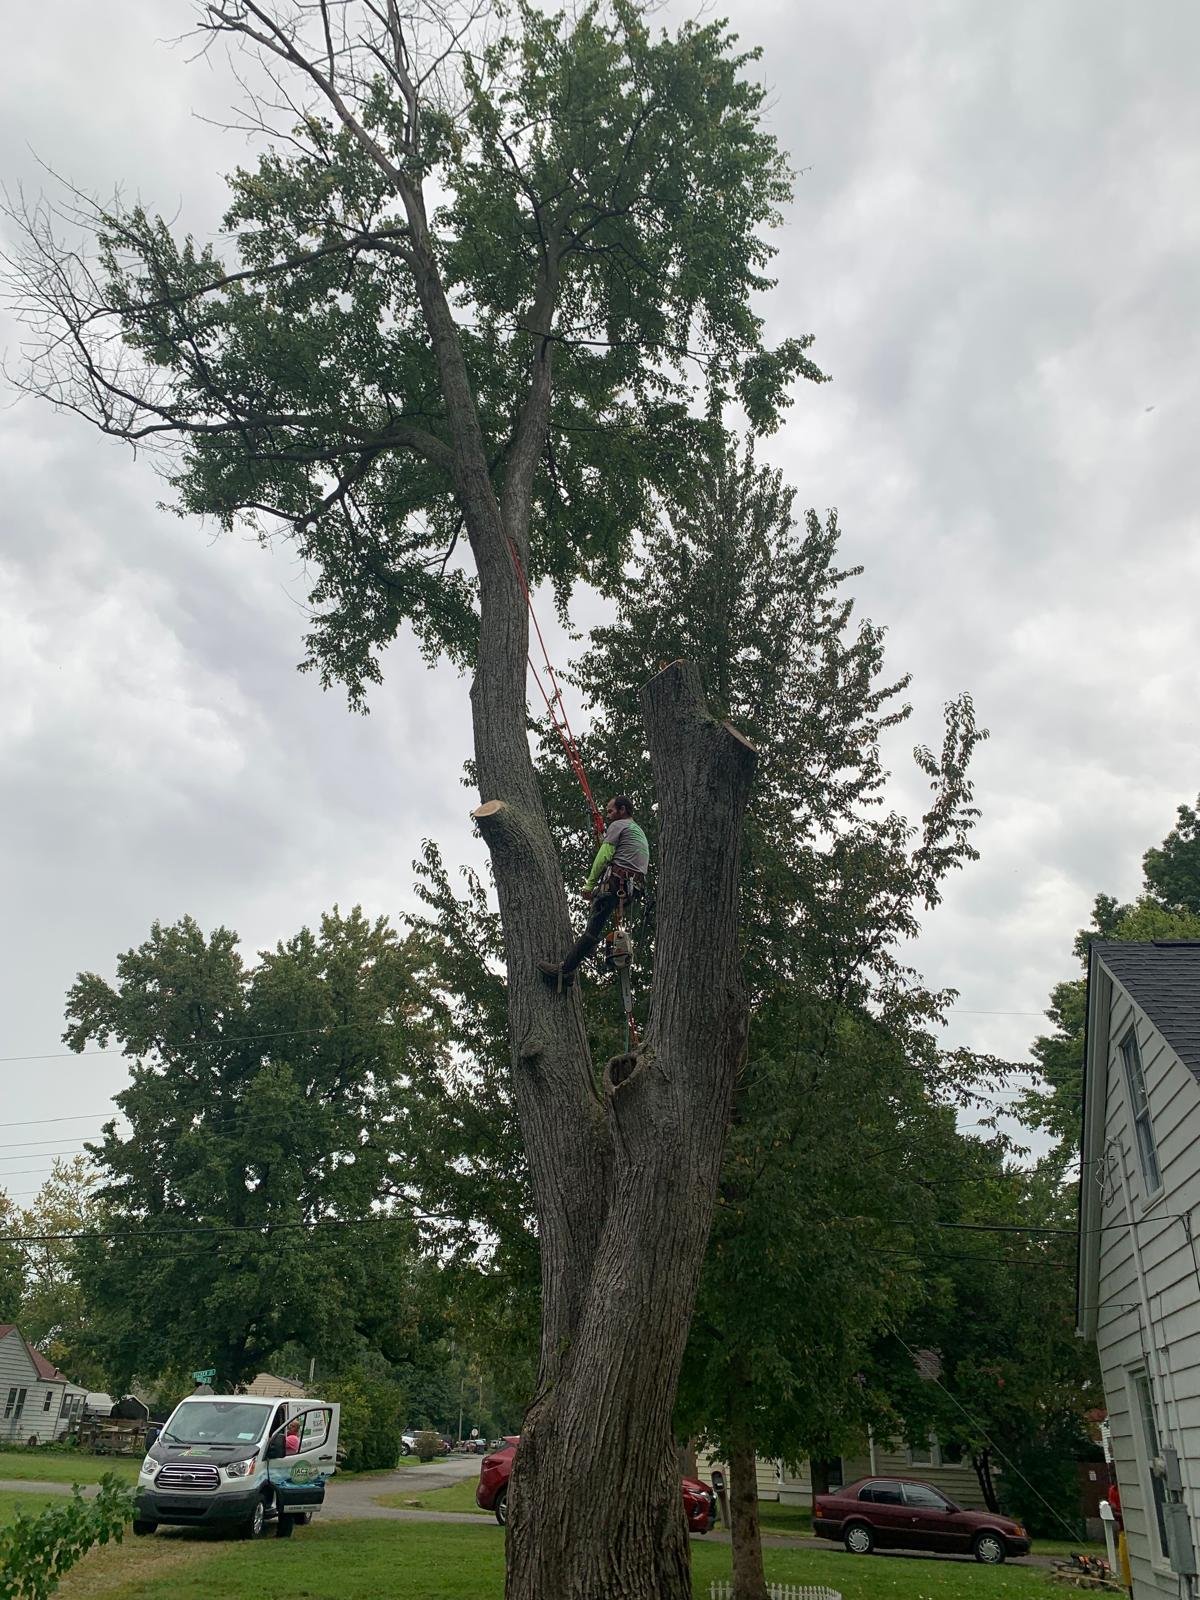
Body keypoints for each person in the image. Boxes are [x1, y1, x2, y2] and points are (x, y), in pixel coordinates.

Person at [539, 795, 649, 990]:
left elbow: (604, 856)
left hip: (618, 883)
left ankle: (565, 970)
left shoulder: (618, 826)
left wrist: (589, 885)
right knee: (596, 916)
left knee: (592, 930)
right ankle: (587, 950)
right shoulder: (635, 829)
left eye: (611, 811)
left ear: (622, 810)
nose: (608, 815)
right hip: (631, 888)